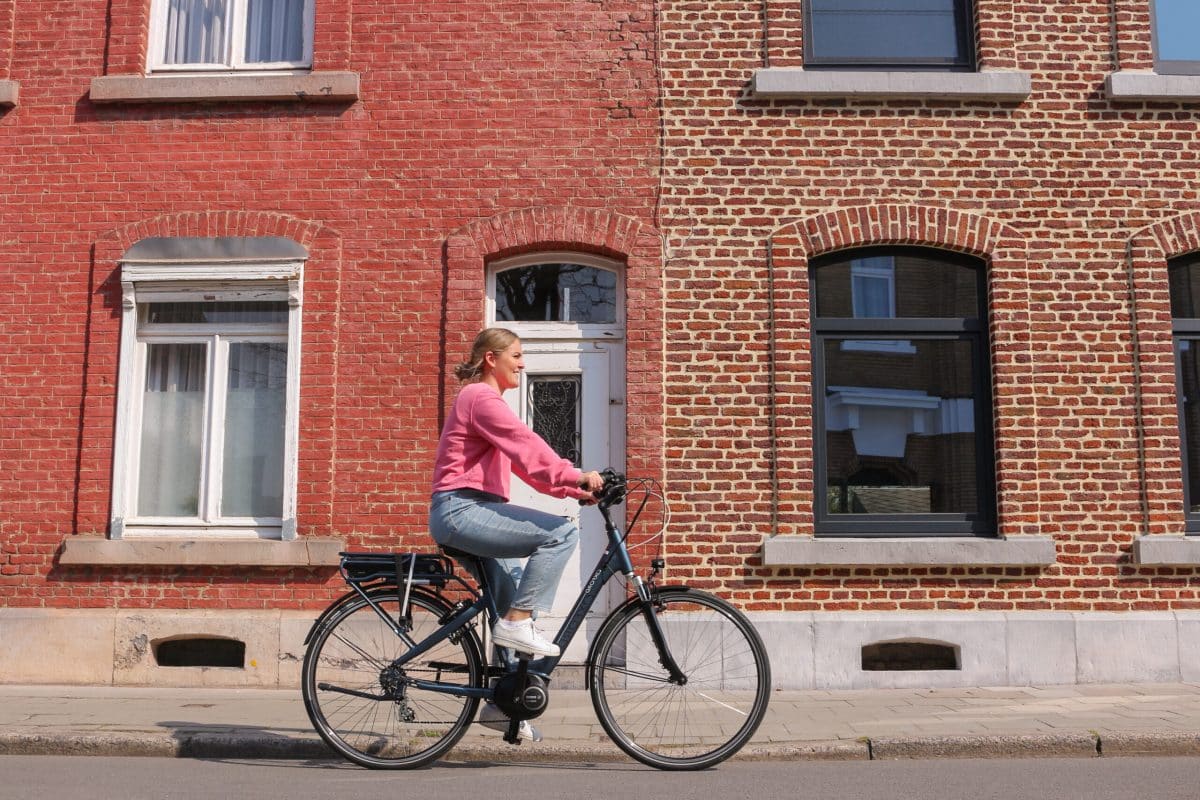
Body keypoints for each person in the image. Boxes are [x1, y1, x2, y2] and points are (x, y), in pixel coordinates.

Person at [429, 327, 604, 660]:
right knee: (561, 535)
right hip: (461, 510)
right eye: (517, 356)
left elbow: (526, 468)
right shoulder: (479, 396)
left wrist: (572, 489)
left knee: (514, 602)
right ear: (491, 359)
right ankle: (516, 625)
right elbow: (526, 445)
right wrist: (577, 474)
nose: (522, 365)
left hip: (471, 511)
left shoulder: (482, 401)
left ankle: (504, 700)